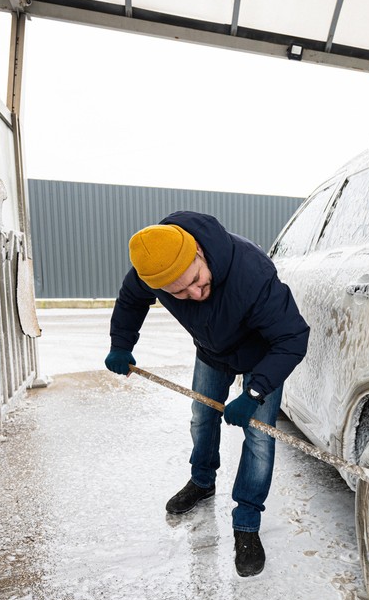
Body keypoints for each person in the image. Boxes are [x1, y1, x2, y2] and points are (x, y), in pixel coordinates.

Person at [104, 211, 310, 577]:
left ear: (198, 251)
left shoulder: (252, 272)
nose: (196, 294)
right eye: (180, 293)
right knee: (202, 418)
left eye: (196, 281)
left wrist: (255, 392)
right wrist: (121, 344)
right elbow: (131, 299)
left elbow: (293, 337)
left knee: (259, 438)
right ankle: (202, 481)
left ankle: (246, 523)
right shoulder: (155, 268)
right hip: (212, 352)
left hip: (262, 356)